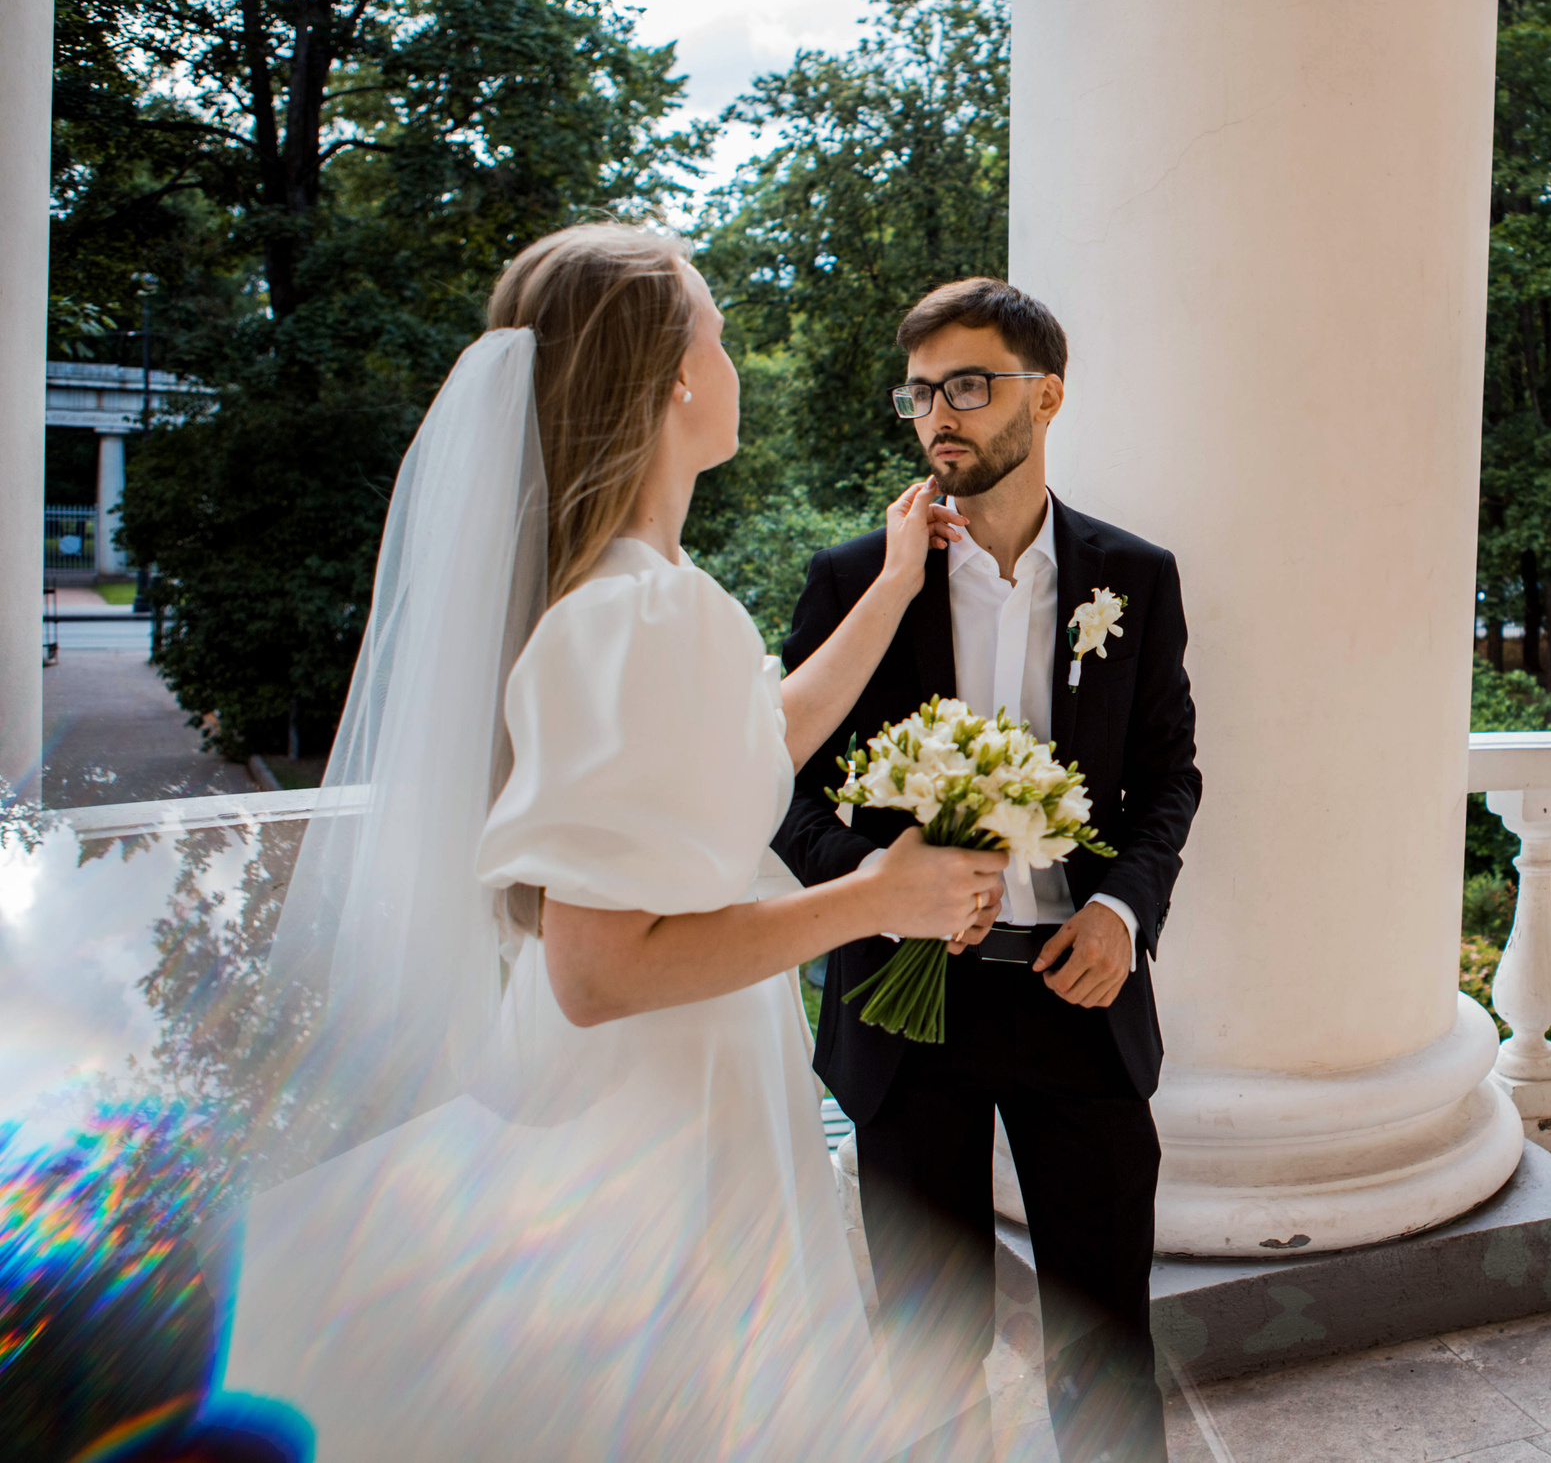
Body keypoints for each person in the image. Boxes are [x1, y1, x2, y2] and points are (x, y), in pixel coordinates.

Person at [221, 223, 1008, 1460]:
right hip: (658, 1100)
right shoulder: (645, 610)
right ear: (680, 376)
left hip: (659, 1070)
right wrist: (876, 898)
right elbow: (600, 972)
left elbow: (757, 739)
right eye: (721, 331)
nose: (734, 360)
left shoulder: (625, 593)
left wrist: (898, 580)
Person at [774, 278, 1201, 1463]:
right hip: (905, 1009)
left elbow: (1170, 776)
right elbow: (789, 796)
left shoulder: (1135, 576)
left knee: (1104, 1336)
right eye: (920, 393)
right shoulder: (853, 578)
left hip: (1080, 994)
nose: (936, 416)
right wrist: (883, 883)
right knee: (925, 1343)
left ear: (1046, 395)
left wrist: (1123, 908)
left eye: (968, 385)